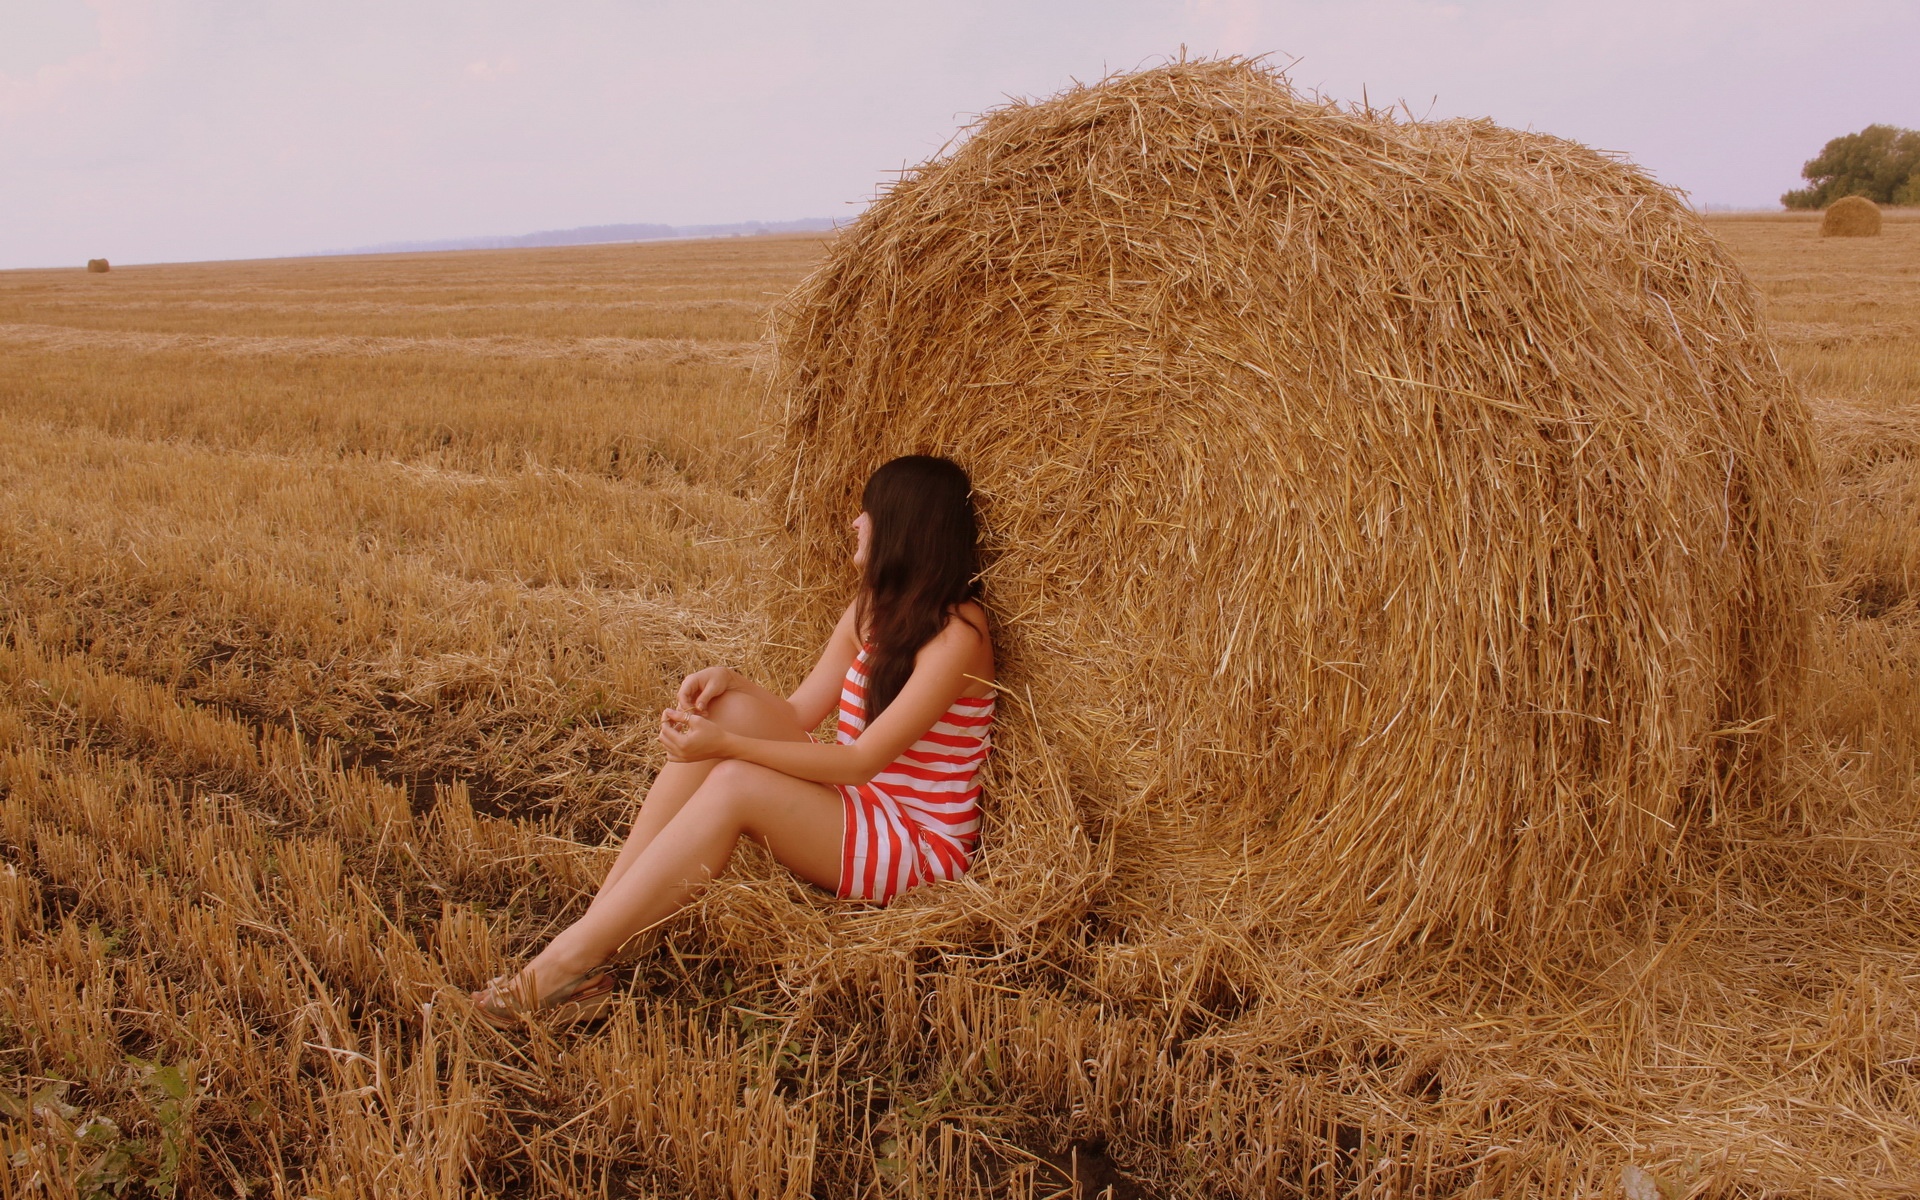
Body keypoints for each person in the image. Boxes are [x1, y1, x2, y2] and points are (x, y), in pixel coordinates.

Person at [472, 455, 996, 1025]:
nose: (855, 522)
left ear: (902, 524)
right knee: (728, 707)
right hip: (861, 806)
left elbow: (860, 761)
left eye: (868, 511)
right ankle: (591, 937)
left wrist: (724, 746)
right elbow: (796, 713)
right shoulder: (871, 612)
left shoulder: (958, 637)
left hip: (916, 842)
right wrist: (733, 682)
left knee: (734, 781)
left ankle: (566, 962)